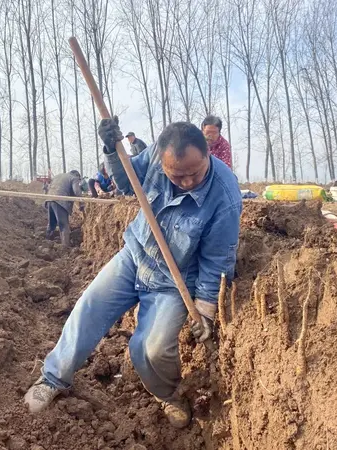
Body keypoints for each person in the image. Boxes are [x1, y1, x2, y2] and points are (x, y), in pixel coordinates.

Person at [25, 119, 242, 429]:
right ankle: (53, 378)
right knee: (89, 308)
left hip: (174, 280)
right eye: (177, 175)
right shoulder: (154, 155)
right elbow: (127, 183)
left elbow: (218, 257)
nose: (188, 181)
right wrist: (114, 153)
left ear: (208, 154)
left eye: (196, 172)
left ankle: (167, 394)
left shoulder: (224, 193)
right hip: (136, 256)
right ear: (162, 159)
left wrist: (206, 309)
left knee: (149, 349)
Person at [45, 170, 83, 247]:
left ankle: (47, 242)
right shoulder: (74, 178)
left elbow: (48, 187)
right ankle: (65, 247)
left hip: (49, 199)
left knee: (51, 223)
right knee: (63, 225)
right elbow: (76, 191)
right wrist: (82, 203)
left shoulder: (58, 176)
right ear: (78, 176)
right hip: (60, 201)